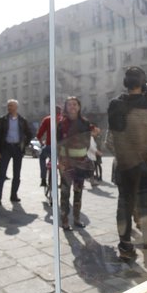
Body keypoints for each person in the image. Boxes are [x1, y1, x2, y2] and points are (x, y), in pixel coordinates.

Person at [107, 66, 147, 259]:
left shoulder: (114, 104)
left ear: (126, 83)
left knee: (124, 205)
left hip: (124, 164)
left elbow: (113, 135)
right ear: (143, 83)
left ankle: (125, 246)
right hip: (145, 164)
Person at [57, 96, 96, 230]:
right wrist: (59, 162)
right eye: (69, 105)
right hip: (66, 162)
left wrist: (95, 132)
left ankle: (77, 219)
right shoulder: (61, 124)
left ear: (79, 107)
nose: (72, 107)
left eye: (75, 104)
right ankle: (65, 220)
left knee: (78, 192)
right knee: (65, 192)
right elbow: (57, 144)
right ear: (66, 108)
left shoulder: (85, 123)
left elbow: (89, 137)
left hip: (81, 162)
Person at [0, 99, 33, 206]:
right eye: (8, 106)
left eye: (11, 105)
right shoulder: (3, 120)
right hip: (6, 148)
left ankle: (14, 195)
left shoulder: (22, 120)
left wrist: (24, 144)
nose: (9, 107)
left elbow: (29, 133)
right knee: (1, 174)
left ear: (16, 107)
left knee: (17, 174)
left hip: (17, 149)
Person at [36, 105, 62, 187]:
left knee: (42, 157)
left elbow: (39, 135)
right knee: (62, 162)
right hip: (61, 148)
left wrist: (41, 143)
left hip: (49, 146)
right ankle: (63, 181)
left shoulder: (47, 119)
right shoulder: (64, 120)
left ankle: (43, 179)